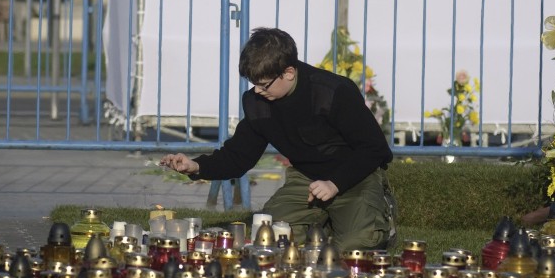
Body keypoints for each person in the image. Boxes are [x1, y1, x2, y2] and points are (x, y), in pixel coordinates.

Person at [160, 27, 395, 251]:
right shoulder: (257, 102)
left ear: (289, 73)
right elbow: (238, 157)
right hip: (306, 180)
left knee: (357, 246)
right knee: (267, 236)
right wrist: (196, 166)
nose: (258, 92)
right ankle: (322, 224)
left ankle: (376, 218)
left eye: (264, 85)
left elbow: (375, 149)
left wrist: (334, 184)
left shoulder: (334, 92)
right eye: (254, 84)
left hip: (354, 177)